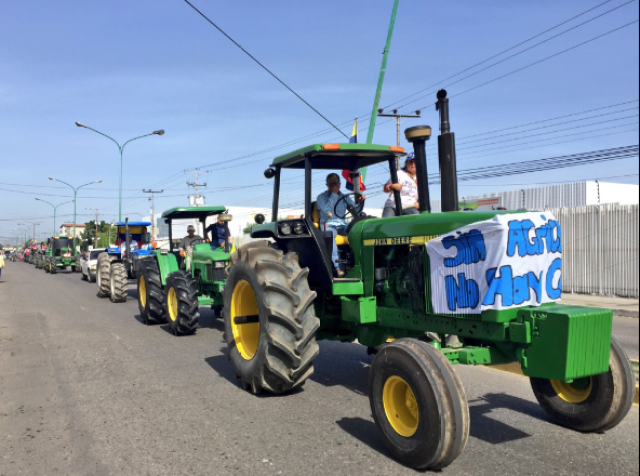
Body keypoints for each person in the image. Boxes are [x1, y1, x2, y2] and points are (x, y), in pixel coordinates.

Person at [317, 173, 363, 278]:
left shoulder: (344, 197)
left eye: (335, 184)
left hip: (342, 224)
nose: (333, 186)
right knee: (330, 235)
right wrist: (334, 194)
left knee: (356, 231)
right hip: (327, 224)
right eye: (331, 184)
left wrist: (360, 202)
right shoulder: (321, 197)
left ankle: (357, 262)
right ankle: (340, 268)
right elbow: (326, 211)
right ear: (327, 185)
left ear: (339, 185)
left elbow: (356, 211)